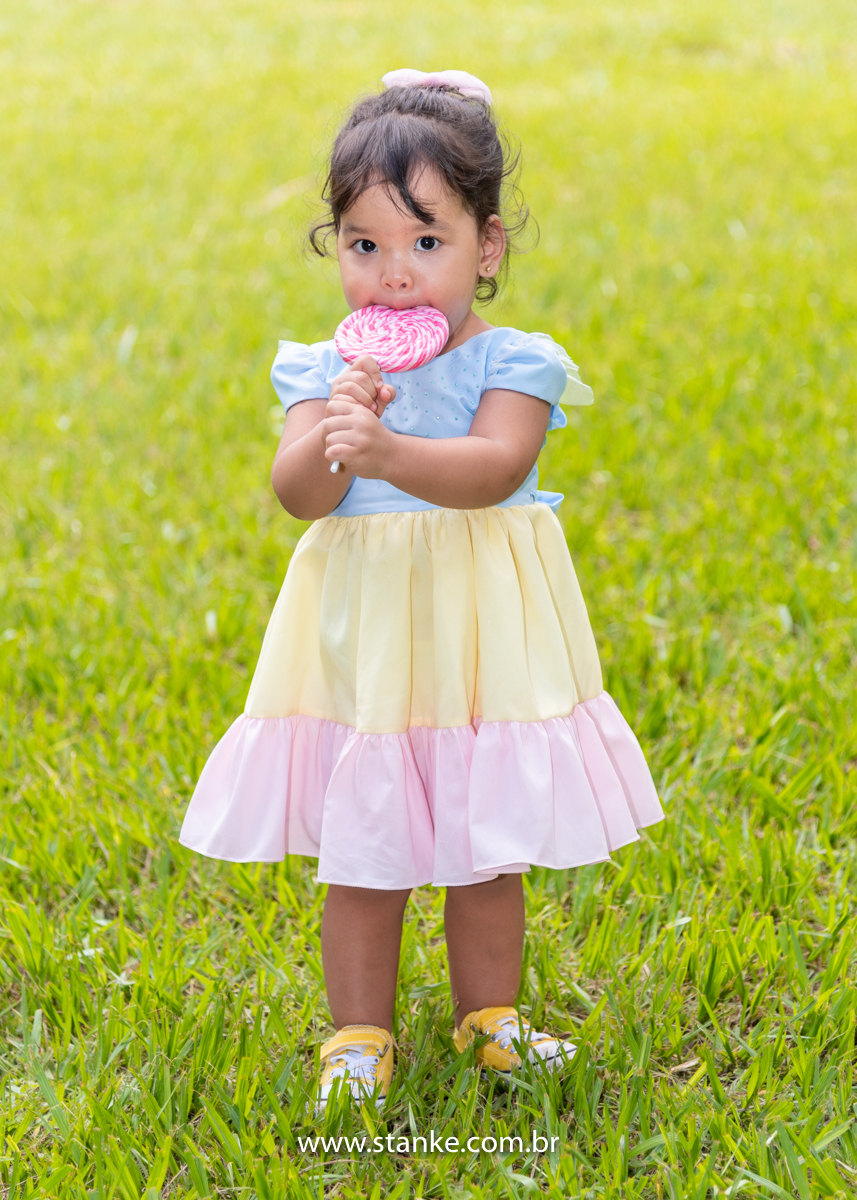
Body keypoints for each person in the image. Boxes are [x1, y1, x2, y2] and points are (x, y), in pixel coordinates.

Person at [179, 67, 663, 1111]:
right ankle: (358, 1033)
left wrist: (390, 450)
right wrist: (339, 425)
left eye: (426, 242)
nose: (393, 276)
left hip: (479, 639)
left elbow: (491, 470)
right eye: (363, 246)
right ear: (335, 248)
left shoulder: (514, 364)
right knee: (366, 845)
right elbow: (296, 495)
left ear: (486, 247)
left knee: (485, 848)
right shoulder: (323, 373)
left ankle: (490, 1017)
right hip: (373, 648)